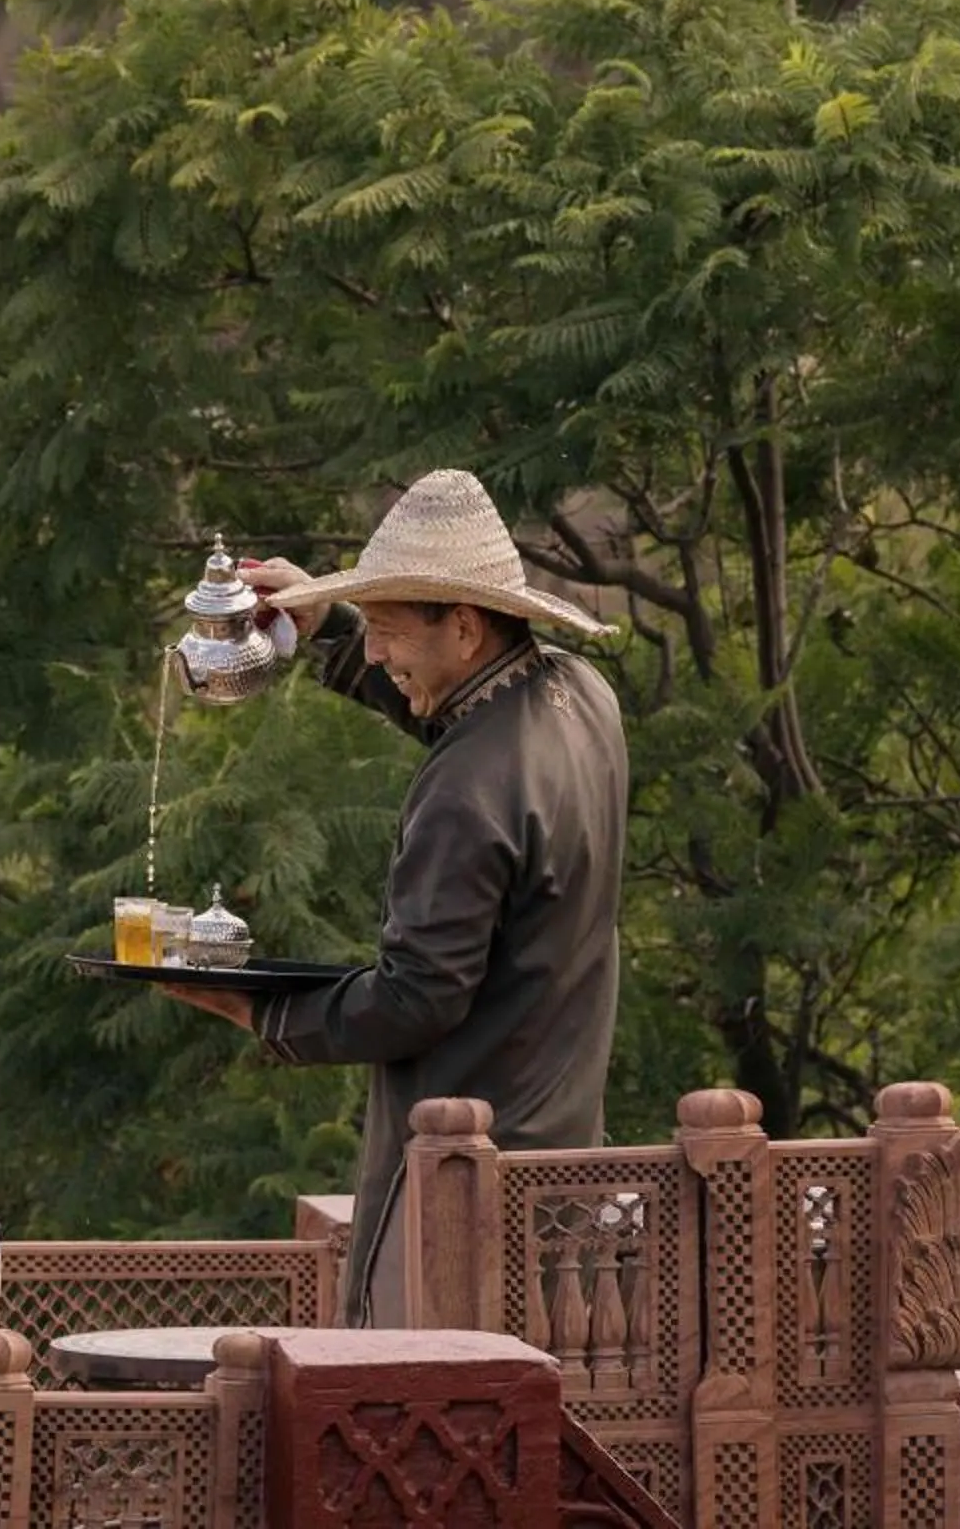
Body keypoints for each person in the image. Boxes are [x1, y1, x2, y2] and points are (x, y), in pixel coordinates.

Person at [158, 468, 627, 1326]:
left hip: (466, 1190)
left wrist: (260, 1009)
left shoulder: (465, 791)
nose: (375, 654)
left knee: (419, 1397)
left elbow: (416, 1000)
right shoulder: (580, 698)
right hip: (565, 1165)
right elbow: (461, 719)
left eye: (385, 630)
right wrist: (333, 624)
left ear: (465, 624)